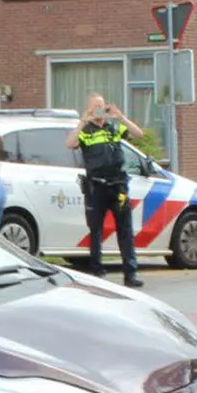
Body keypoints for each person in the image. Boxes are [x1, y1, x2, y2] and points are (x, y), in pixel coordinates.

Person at [67, 93, 142, 287]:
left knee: (125, 229)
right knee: (96, 230)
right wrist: (83, 121)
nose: (98, 110)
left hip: (118, 185)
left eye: (101, 106)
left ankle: (130, 274)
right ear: (89, 108)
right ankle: (97, 271)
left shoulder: (114, 127)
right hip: (96, 186)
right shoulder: (86, 130)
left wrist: (120, 117)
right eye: (94, 107)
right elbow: (70, 144)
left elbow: (138, 134)